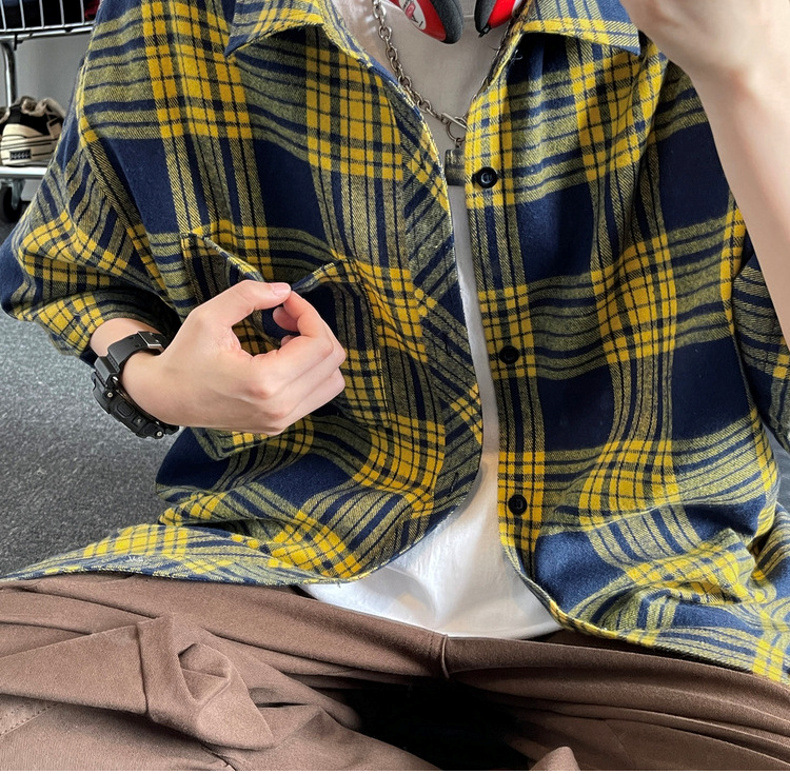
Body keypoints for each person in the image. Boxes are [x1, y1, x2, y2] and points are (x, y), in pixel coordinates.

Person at [1, 0, 790, 768]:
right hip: (286, 563)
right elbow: (65, 268)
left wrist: (750, 79)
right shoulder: (172, 20)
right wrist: (153, 380)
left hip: (647, 588)